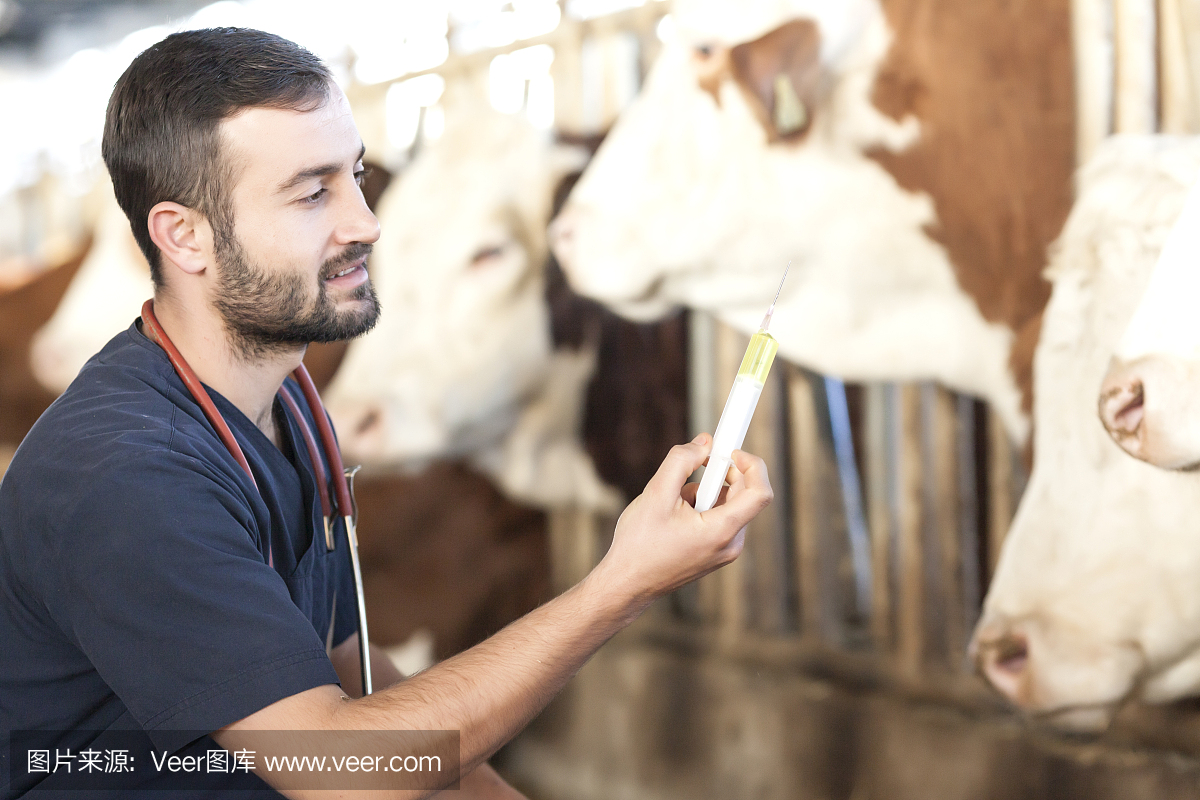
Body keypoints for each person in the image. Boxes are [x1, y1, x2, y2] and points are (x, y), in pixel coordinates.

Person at [0, 27, 772, 798]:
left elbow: (353, 680)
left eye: (355, 177)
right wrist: (622, 584)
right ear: (185, 236)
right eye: (312, 193)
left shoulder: (290, 407)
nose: (367, 224)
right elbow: (342, 773)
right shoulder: (126, 476)